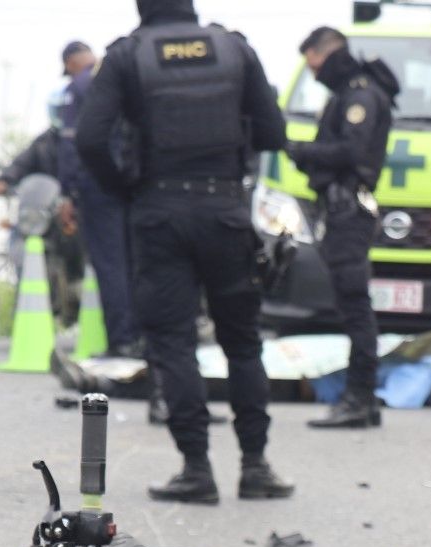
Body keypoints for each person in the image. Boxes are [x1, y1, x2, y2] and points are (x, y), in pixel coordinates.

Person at [76, 0, 292, 504]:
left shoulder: (128, 56)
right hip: (225, 209)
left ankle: (196, 469)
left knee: (173, 344)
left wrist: (125, 186)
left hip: (159, 211)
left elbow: (89, 138)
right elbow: (273, 133)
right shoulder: (234, 48)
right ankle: (255, 466)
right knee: (242, 342)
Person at [283, 27, 398, 430]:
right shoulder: (349, 91)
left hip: (348, 210)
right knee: (352, 304)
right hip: (341, 207)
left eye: (312, 60)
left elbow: (352, 150)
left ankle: (359, 398)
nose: (312, 70)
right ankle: (361, 398)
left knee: (355, 305)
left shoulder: (360, 94)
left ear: (325, 53)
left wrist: (300, 150)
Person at [55, 41, 138, 357]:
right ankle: (143, 338)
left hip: (99, 184)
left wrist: (68, 193)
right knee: (137, 262)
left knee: (110, 264)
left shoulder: (79, 87)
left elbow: (72, 144)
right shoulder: (128, 75)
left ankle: (122, 341)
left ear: (72, 63)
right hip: (137, 182)